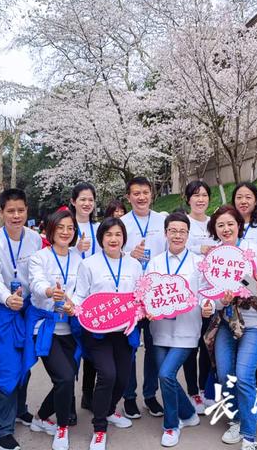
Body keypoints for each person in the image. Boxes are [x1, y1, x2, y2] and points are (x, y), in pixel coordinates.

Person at [202, 205, 257, 450]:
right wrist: (217, 301)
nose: (226, 229)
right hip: (225, 322)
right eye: (220, 225)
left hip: (253, 323)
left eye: (230, 224)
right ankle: (234, 420)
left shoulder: (252, 251)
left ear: (238, 225)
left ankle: (249, 435)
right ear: (215, 229)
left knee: (244, 376)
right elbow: (206, 292)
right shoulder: (214, 256)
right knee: (225, 375)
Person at [71, 217, 143, 450]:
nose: (113, 239)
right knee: (108, 375)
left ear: (124, 237)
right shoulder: (89, 264)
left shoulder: (134, 265)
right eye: (108, 235)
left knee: (123, 378)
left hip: (124, 332)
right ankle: (99, 428)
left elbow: (139, 297)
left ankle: (110, 410)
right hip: (98, 333)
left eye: (118, 234)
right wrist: (74, 307)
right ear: (101, 238)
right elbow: (80, 296)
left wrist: (144, 311)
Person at [0, 188, 43, 450]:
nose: (16, 215)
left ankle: (19, 408)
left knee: (24, 363)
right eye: (10, 211)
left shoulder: (35, 239)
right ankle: (1, 430)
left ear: (27, 210)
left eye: (21, 210)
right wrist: (6, 297)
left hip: (27, 308)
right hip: (2, 310)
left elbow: (40, 271)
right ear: (2, 212)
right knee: (7, 369)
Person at [27, 209, 82, 450]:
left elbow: (83, 288)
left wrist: (73, 304)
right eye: (60, 227)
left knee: (66, 379)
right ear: (51, 230)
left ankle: (40, 418)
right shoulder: (40, 257)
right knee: (66, 377)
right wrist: (50, 291)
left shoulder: (79, 258)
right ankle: (61, 428)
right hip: (46, 328)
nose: (65, 232)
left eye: (70, 228)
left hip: (71, 327)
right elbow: (36, 282)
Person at [147, 212, 202, 446]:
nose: (177, 235)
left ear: (188, 234)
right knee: (166, 377)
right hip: (159, 328)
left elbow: (206, 292)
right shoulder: (156, 261)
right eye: (173, 230)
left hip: (187, 329)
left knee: (165, 374)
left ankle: (171, 425)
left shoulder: (198, 262)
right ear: (166, 233)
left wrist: (208, 305)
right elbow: (146, 290)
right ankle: (188, 413)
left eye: (182, 231)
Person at [120, 177, 165, 419]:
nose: (141, 197)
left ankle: (150, 395)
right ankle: (129, 397)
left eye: (145, 192)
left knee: (154, 346)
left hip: (156, 294)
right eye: (136, 193)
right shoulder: (122, 223)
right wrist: (129, 254)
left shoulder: (162, 219)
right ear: (128, 197)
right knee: (130, 347)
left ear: (151, 194)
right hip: (131, 294)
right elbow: (113, 252)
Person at [183, 181, 216, 414]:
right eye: (195, 195)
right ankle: (192, 390)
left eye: (204, 195)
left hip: (211, 292)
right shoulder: (183, 222)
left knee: (206, 344)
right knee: (189, 345)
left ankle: (204, 390)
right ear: (188, 199)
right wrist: (199, 249)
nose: (200, 199)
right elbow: (178, 246)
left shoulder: (214, 223)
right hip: (189, 291)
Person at [69, 183, 102, 413]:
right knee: (71, 352)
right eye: (82, 199)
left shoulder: (99, 228)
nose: (87, 203)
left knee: (92, 351)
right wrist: (76, 249)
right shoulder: (66, 226)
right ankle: (67, 403)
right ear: (73, 201)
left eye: (90, 199)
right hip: (72, 294)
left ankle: (88, 396)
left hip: (96, 298)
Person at [231, 183, 257, 261]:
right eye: (239, 197)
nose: (243, 201)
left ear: (256, 202)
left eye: (248, 197)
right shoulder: (227, 226)